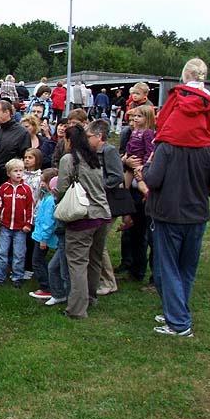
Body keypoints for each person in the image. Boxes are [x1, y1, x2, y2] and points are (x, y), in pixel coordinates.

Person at [144, 122, 210, 336]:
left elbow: (153, 180)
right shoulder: (206, 150)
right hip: (196, 216)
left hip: (169, 215)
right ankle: (176, 311)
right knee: (186, 269)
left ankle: (179, 322)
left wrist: (146, 166)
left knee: (168, 268)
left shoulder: (166, 147)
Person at [56, 125, 112, 319]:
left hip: (83, 216)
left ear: (69, 140)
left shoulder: (69, 159)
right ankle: (90, 297)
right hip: (103, 214)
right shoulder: (94, 158)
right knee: (94, 260)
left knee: (78, 262)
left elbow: (63, 187)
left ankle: (77, 309)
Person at [0, 100, 31, 266]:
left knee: (10, 222)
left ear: (8, 112)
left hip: (9, 185)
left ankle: (10, 259)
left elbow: (24, 158)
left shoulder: (21, 133)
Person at [86, 119, 124, 296]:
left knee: (100, 244)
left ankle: (109, 281)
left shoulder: (109, 151)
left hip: (108, 203)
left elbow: (116, 176)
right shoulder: (94, 152)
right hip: (97, 202)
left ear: (99, 136)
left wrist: (96, 185)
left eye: (89, 136)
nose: (86, 140)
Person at [156, 58, 210, 151]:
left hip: (172, 141)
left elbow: (163, 117)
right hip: (199, 143)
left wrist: (159, 136)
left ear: (185, 74)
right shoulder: (207, 98)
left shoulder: (178, 93)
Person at [0, 158, 34, 287]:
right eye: (15, 171)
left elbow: (30, 208)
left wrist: (28, 224)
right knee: (2, 252)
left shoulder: (26, 189)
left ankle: (17, 277)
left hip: (21, 228)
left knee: (19, 253)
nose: (18, 174)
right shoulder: (3, 189)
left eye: (21, 171)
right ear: (9, 173)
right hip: (5, 226)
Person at [29, 167, 59, 300]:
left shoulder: (50, 201)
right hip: (40, 234)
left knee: (37, 261)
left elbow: (48, 222)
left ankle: (46, 287)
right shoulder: (46, 197)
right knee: (39, 260)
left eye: (43, 181)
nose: (41, 184)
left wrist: (43, 239)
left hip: (43, 237)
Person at [121, 105, 156, 199]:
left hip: (139, 164)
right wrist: (126, 156)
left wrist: (143, 165)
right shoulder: (135, 131)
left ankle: (149, 198)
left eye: (139, 116)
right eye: (135, 116)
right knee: (124, 188)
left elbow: (150, 150)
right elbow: (130, 145)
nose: (135, 118)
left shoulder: (148, 133)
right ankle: (126, 208)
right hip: (130, 162)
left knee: (141, 184)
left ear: (147, 118)